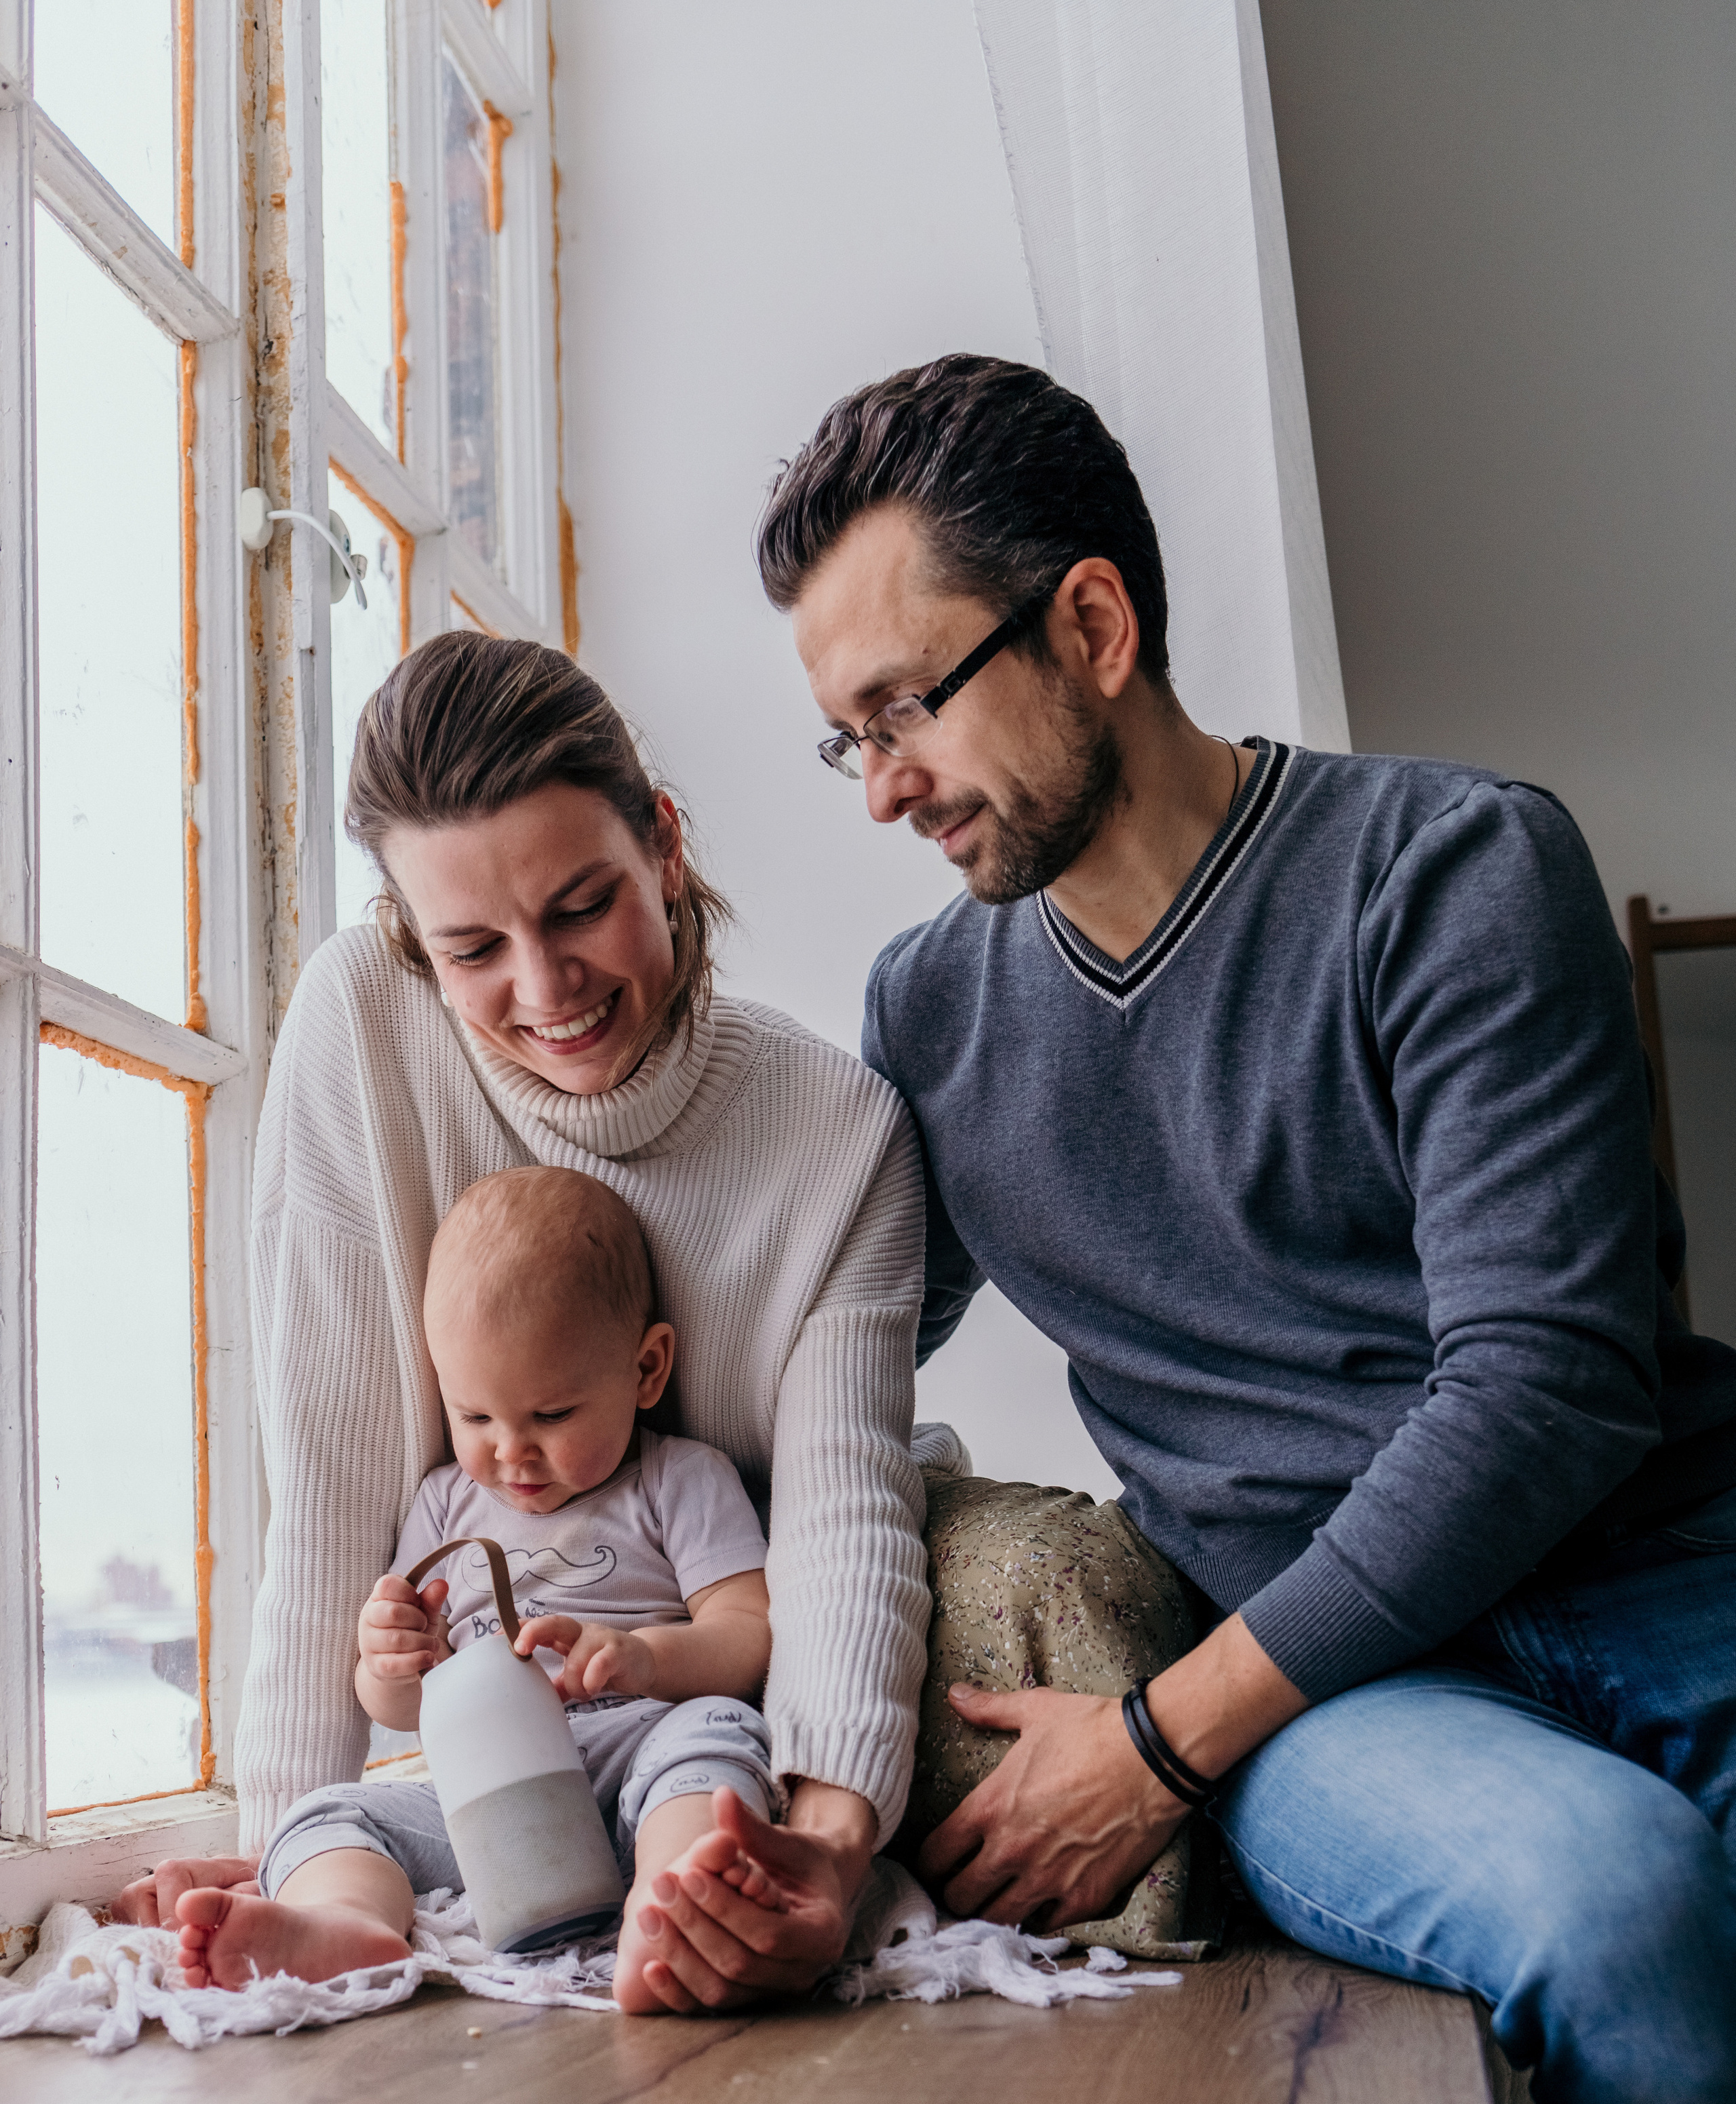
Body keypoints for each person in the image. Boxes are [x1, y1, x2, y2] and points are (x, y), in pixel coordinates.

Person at [746, 353, 1736, 2102]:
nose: (881, 788)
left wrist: (1149, 1744)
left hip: (1655, 1566)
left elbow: (1543, 1385)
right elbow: (824, 1351)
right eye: (849, 736)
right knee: (1620, 1911)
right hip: (1337, 1706)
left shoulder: (1451, 870)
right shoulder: (931, 1016)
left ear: (1093, 627)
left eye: (906, 707)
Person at [119, 633, 958, 2014]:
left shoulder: (836, 1134)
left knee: (706, 1777)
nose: (546, 989)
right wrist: (288, 1845)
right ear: (409, 944)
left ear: (664, 848)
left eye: (580, 908)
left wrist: (825, 1846)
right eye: (470, 949)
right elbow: (329, 1493)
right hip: (482, 1768)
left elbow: (842, 1522)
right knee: (349, 1844)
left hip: (686, 1703)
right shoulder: (360, 1031)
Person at [175, 1165, 786, 2010]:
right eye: (474, 1418)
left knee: (719, 1742)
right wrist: (392, 1662)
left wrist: (643, 1658)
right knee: (325, 1816)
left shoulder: (680, 1479)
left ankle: (672, 1904)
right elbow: (398, 1711)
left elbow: (748, 1633)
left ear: (646, 1370)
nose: (510, 1454)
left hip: (637, 1755)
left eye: (553, 1416)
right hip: (486, 1798)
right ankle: (345, 1925)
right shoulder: (444, 1502)